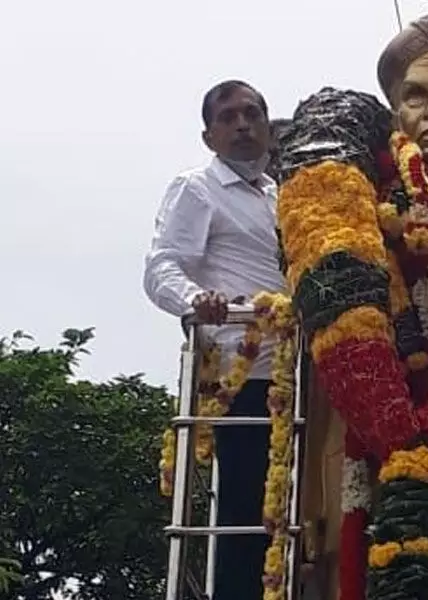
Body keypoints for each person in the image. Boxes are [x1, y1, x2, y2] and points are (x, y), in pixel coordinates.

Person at [142, 80, 281, 600]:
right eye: (229, 117)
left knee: (292, 509)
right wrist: (197, 299)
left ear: (268, 126)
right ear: (209, 136)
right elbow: (160, 268)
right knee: (244, 511)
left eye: (252, 113)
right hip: (236, 375)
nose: (242, 124)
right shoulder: (197, 187)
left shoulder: (280, 194)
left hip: (294, 376)